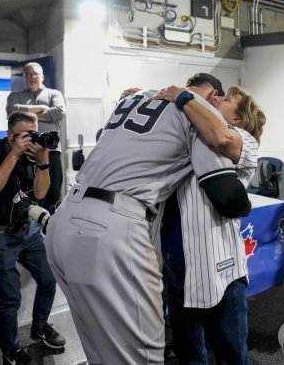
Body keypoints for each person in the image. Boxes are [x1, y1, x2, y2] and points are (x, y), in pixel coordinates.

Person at [45, 73, 251, 365]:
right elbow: (228, 195)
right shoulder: (196, 112)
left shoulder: (137, 96)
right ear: (213, 97)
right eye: (223, 99)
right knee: (144, 357)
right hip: (112, 227)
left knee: (102, 351)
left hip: (65, 218)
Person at [154, 84, 265, 364]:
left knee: (232, 356)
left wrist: (183, 95)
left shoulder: (241, 137)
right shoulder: (192, 130)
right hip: (176, 265)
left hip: (217, 267)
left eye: (226, 99)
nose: (217, 98)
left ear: (237, 118)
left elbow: (223, 139)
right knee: (188, 353)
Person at [0, 112, 65, 365]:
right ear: (11, 135)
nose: (31, 140)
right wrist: (14, 153)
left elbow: (40, 192)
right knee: (10, 298)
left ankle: (39, 328)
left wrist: (43, 160)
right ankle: (11, 350)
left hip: (27, 229)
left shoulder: (32, 155)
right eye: (26, 135)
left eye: (34, 133)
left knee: (49, 280)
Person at [6, 62, 66, 210]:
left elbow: (58, 112)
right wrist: (44, 109)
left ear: (42, 77)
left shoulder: (54, 94)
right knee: (25, 192)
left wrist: (25, 114)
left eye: (35, 74)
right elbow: (11, 113)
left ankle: (51, 225)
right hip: (23, 151)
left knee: (53, 192)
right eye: (28, 74)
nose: (32, 77)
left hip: (50, 151)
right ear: (24, 78)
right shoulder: (15, 96)